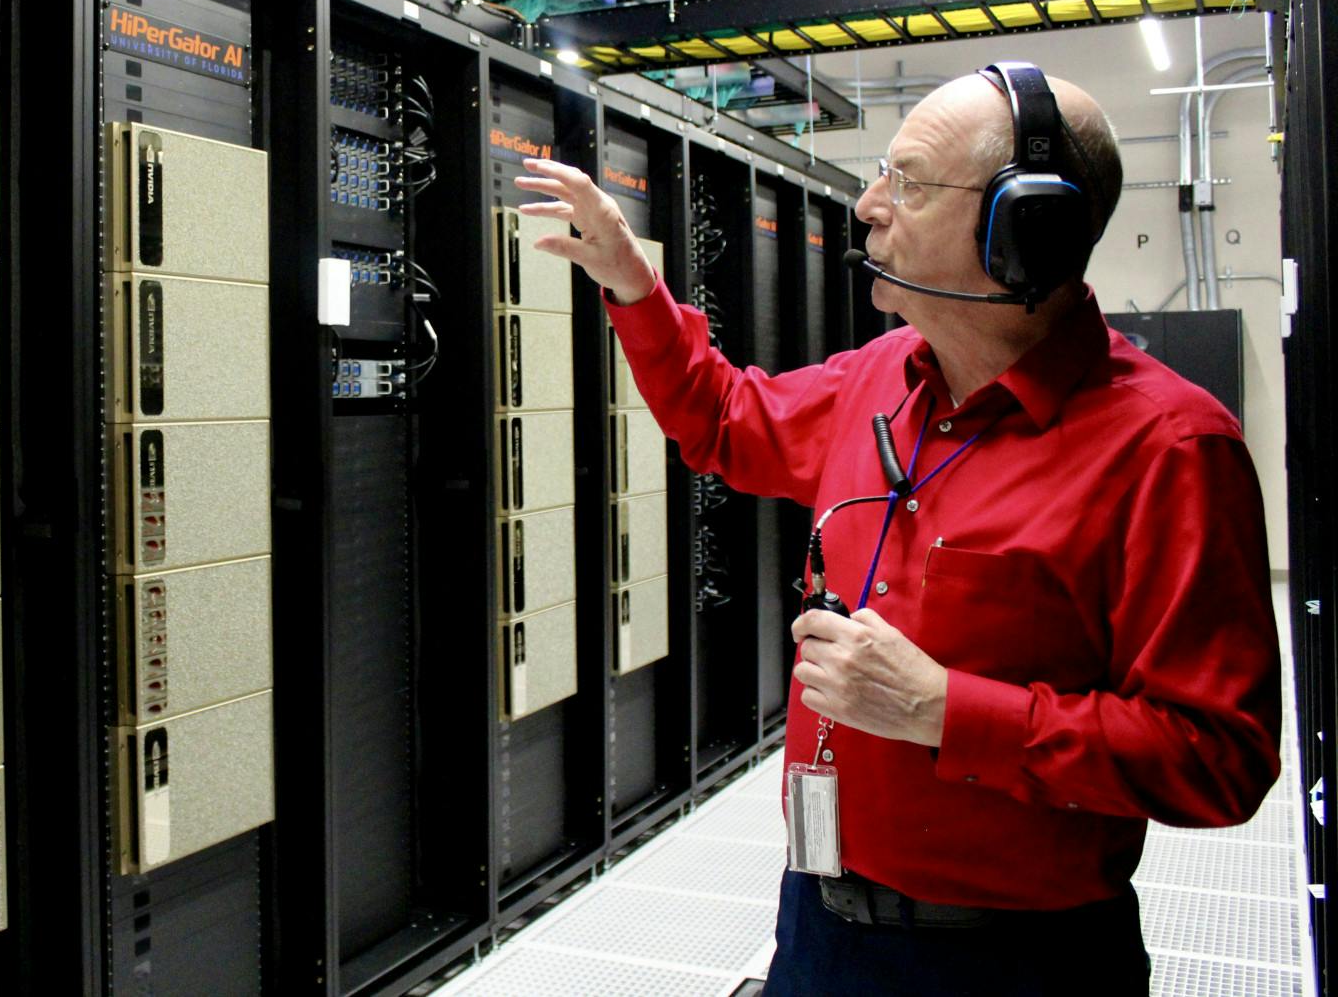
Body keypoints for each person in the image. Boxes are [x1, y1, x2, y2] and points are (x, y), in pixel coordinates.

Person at [516, 63, 1281, 996]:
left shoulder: (1169, 447)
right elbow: (723, 420)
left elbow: (1220, 756)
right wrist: (633, 283)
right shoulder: (884, 377)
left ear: (1024, 229)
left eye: (909, 183)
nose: (870, 204)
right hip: (820, 924)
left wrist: (947, 710)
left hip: (1016, 960)